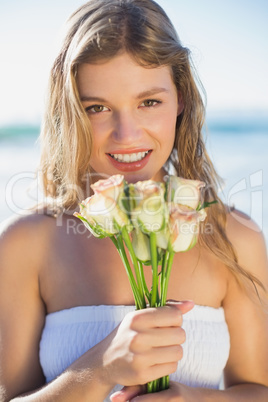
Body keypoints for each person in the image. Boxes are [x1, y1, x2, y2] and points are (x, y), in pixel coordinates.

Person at [0, 0, 268, 401]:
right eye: (97, 108)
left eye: (149, 102)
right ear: (69, 113)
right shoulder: (27, 242)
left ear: (181, 100)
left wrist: (192, 399)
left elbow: (258, 390)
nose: (126, 134)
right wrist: (101, 367)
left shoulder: (235, 238)